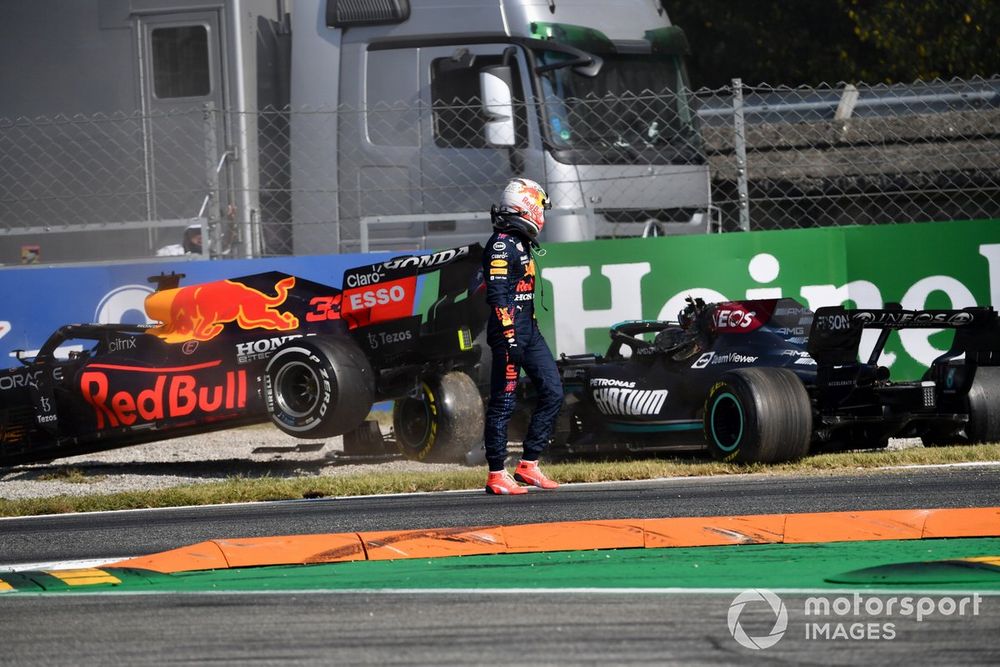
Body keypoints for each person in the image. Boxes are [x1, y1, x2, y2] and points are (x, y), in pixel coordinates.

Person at [481, 177, 564, 495]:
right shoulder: (501, 244)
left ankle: (528, 465)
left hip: (530, 331)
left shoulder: (522, 242)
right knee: (503, 402)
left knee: (553, 391)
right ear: (527, 206)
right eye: (540, 206)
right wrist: (510, 337)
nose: (542, 214)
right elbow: (497, 296)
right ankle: (496, 473)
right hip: (508, 335)